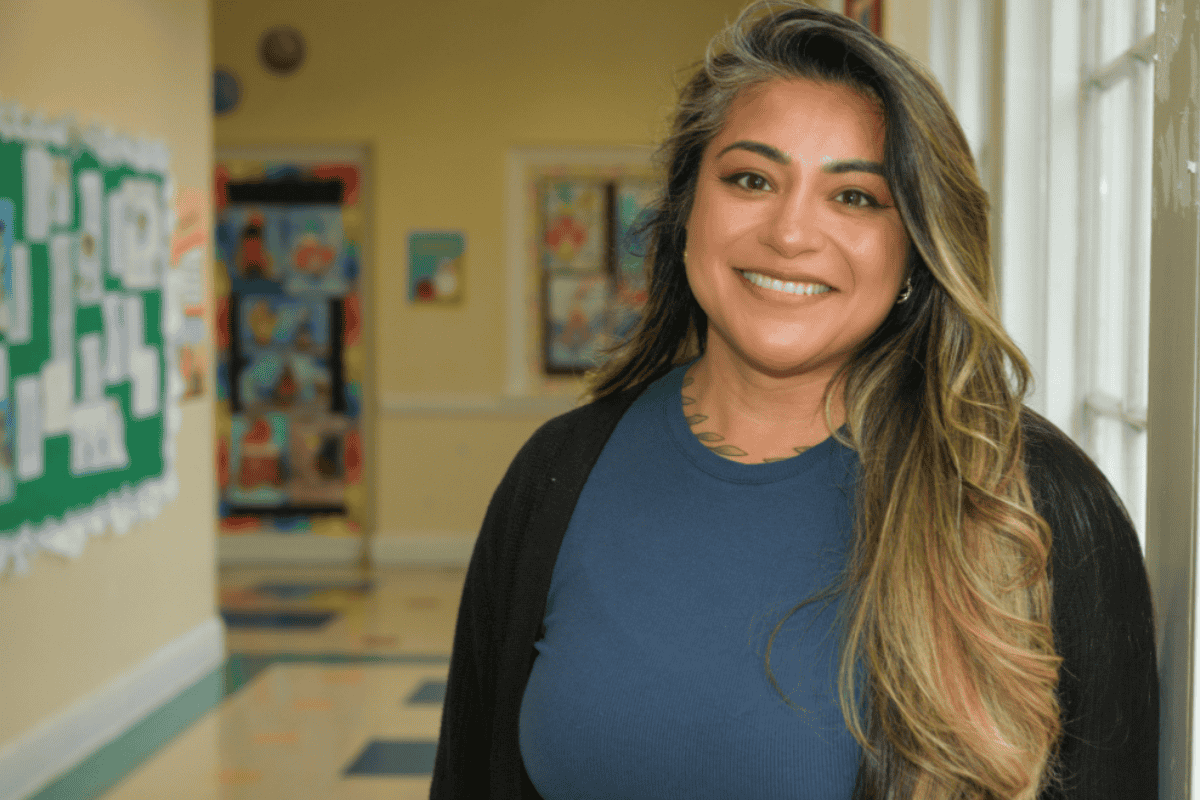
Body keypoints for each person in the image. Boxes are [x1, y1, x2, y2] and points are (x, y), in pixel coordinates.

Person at [430, 2, 1159, 798]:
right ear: (685, 211)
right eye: (752, 179)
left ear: (915, 245)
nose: (788, 233)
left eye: (854, 197)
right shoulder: (556, 477)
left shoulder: (1033, 504)